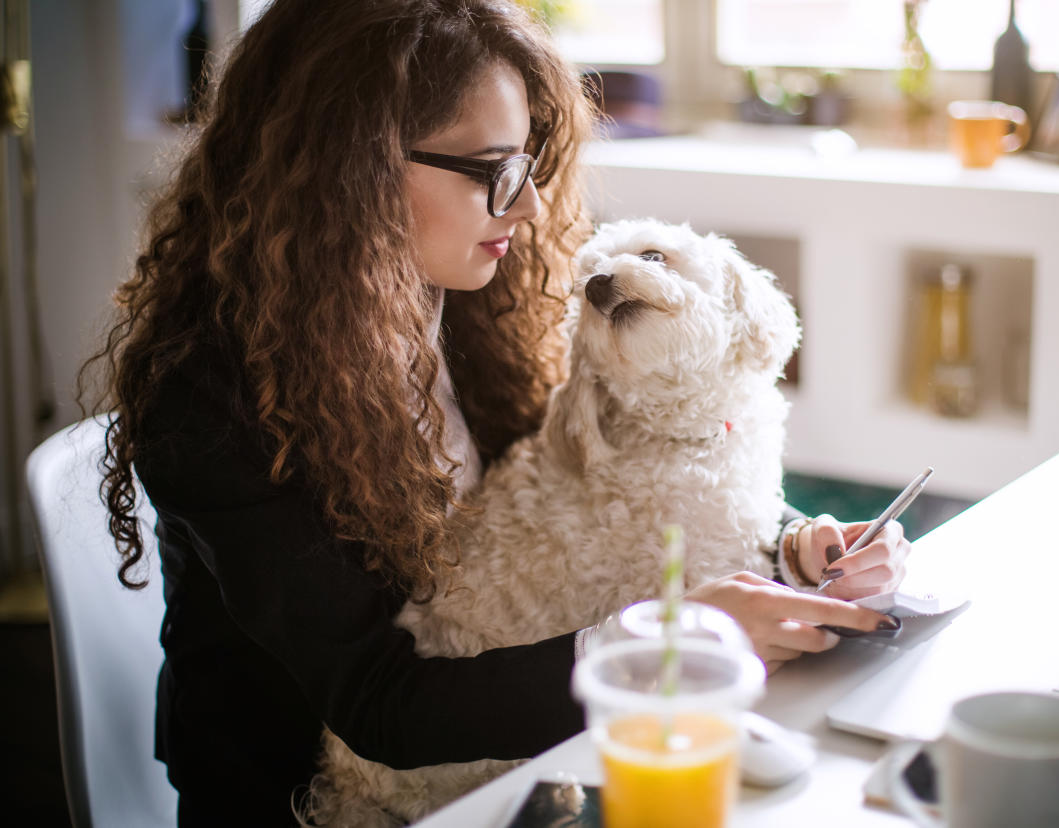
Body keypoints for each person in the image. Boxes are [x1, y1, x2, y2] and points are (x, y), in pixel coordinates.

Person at [81, 1, 910, 825]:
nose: (530, 209)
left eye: (529, 166)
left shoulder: (473, 292)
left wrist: (794, 546)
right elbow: (383, 704)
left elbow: (619, 465)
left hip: (500, 762)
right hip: (305, 795)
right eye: (493, 172)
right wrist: (662, 641)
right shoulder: (209, 396)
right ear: (351, 170)